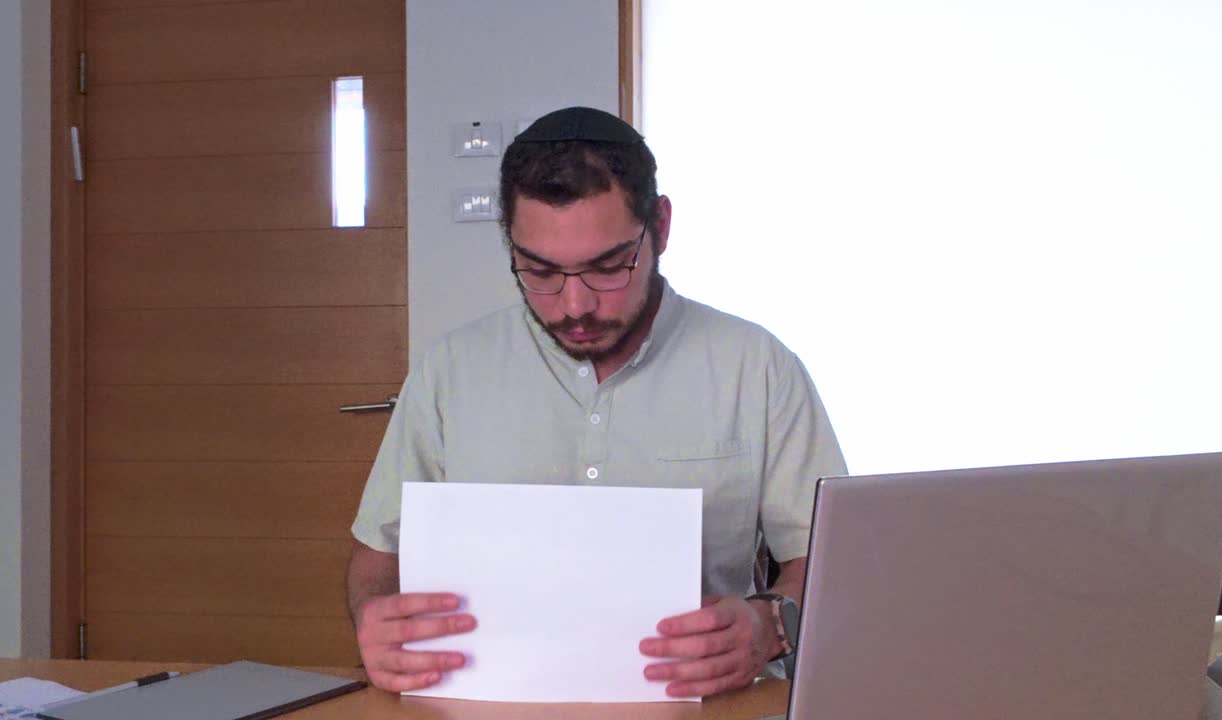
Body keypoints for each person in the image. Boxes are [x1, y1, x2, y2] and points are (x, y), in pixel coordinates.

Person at [346, 106, 847, 698]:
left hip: (702, 709)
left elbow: (832, 565)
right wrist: (373, 620)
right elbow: (376, 558)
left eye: (609, 267)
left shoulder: (758, 368)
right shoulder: (450, 371)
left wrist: (770, 626)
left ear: (660, 227)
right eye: (539, 271)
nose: (575, 305)